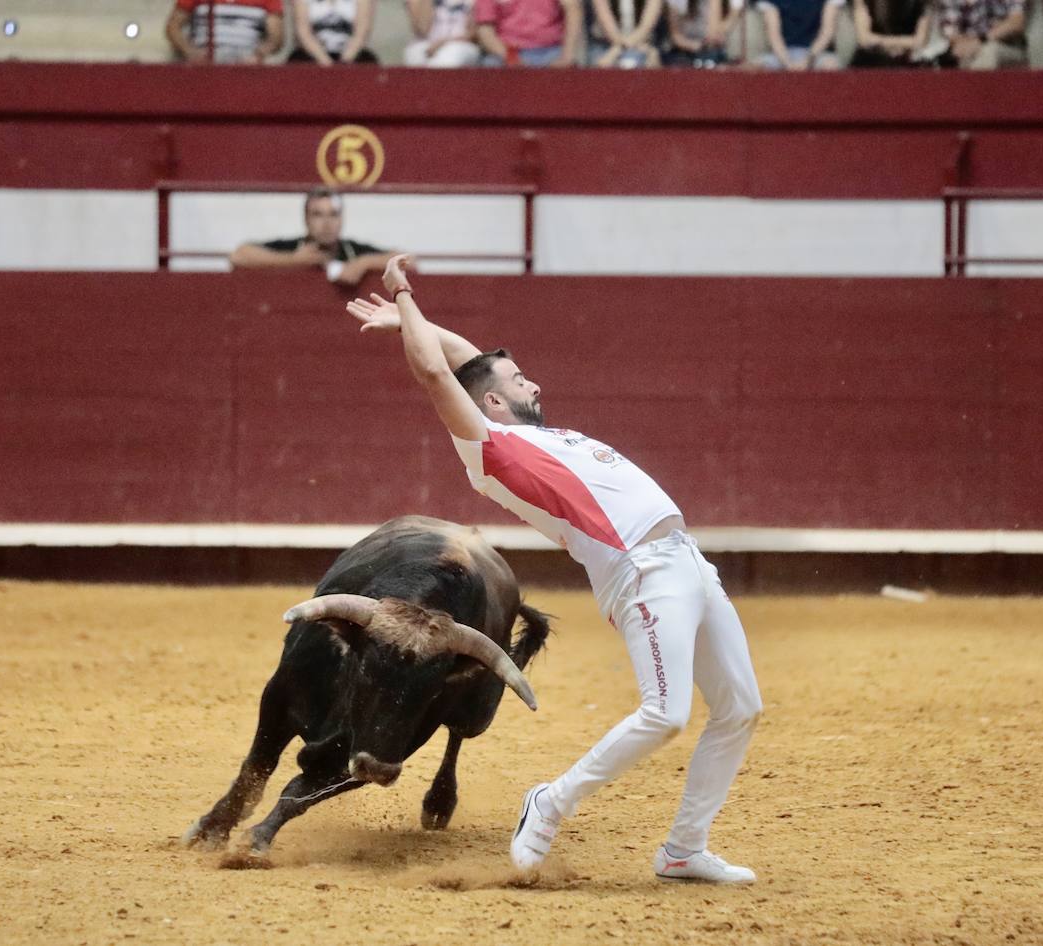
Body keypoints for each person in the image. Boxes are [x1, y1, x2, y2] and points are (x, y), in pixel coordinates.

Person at [344, 256, 763, 884]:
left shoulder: (540, 434)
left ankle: (682, 850)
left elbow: (464, 356)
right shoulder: (489, 448)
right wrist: (402, 294)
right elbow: (436, 370)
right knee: (666, 713)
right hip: (641, 571)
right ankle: (550, 801)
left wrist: (413, 320)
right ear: (492, 401)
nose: (533, 384)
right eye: (520, 380)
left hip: (687, 560)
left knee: (739, 707)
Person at [230, 188, 398, 285]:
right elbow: (239, 256)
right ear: (306, 219)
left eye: (333, 215)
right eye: (318, 215)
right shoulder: (294, 248)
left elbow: (407, 261)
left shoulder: (353, 251)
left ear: (341, 219)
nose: (327, 223)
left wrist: (363, 264)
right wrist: (293, 261)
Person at [165, 0, 283, 64]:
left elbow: (276, 38)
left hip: (246, 59)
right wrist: (190, 52)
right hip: (206, 57)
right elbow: (173, 27)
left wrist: (258, 55)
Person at [475, 0, 584, 66]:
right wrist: (512, 58)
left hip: (552, 51)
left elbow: (573, 10)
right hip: (506, 52)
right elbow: (485, 31)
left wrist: (567, 55)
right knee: (490, 68)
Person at [933, 0, 1025, 68]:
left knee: (989, 52)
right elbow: (950, 31)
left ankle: (980, 93)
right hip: (964, 46)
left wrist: (981, 40)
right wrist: (967, 44)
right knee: (942, 59)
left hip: (1006, 45)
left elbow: (1016, 22)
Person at [755, 0, 842, 68]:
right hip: (781, 54)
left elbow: (827, 31)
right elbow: (773, 35)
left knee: (830, 66)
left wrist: (808, 60)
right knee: (757, 69)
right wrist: (788, 63)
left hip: (817, 53)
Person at [288, 0, 380, 63]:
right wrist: (325, 62)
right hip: (312, 54)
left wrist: (345, 62)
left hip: (351, 54)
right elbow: (303, 32)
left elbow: (361, 32)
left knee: (368, 64)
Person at [848, 0, 928, 65]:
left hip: (906, 61)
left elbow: (920, 41)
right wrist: (902, 43)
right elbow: (864, 39)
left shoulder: (921, 3)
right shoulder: (862, 2)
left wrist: (883, 42)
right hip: (871, 60)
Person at [664, 0, 741, 67]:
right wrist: (694, 46)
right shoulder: (677, 2)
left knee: (712, 58)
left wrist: (714, 2)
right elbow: (675, 37)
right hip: (683, 52)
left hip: (710, 52)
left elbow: (712, 33)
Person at [404, 0, 483, 65]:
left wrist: (443, 43)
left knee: (447, 58)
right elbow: (422, 30)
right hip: (427, 43)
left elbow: (473, 34)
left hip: (461, 44)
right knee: (416, 56)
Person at [587, 0, 665, 66]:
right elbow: (609, 28)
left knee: (648, 60)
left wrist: (621, 48)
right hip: (606, 44)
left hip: (642, 42)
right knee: (602, 65)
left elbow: (646, 27)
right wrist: (616, 51)